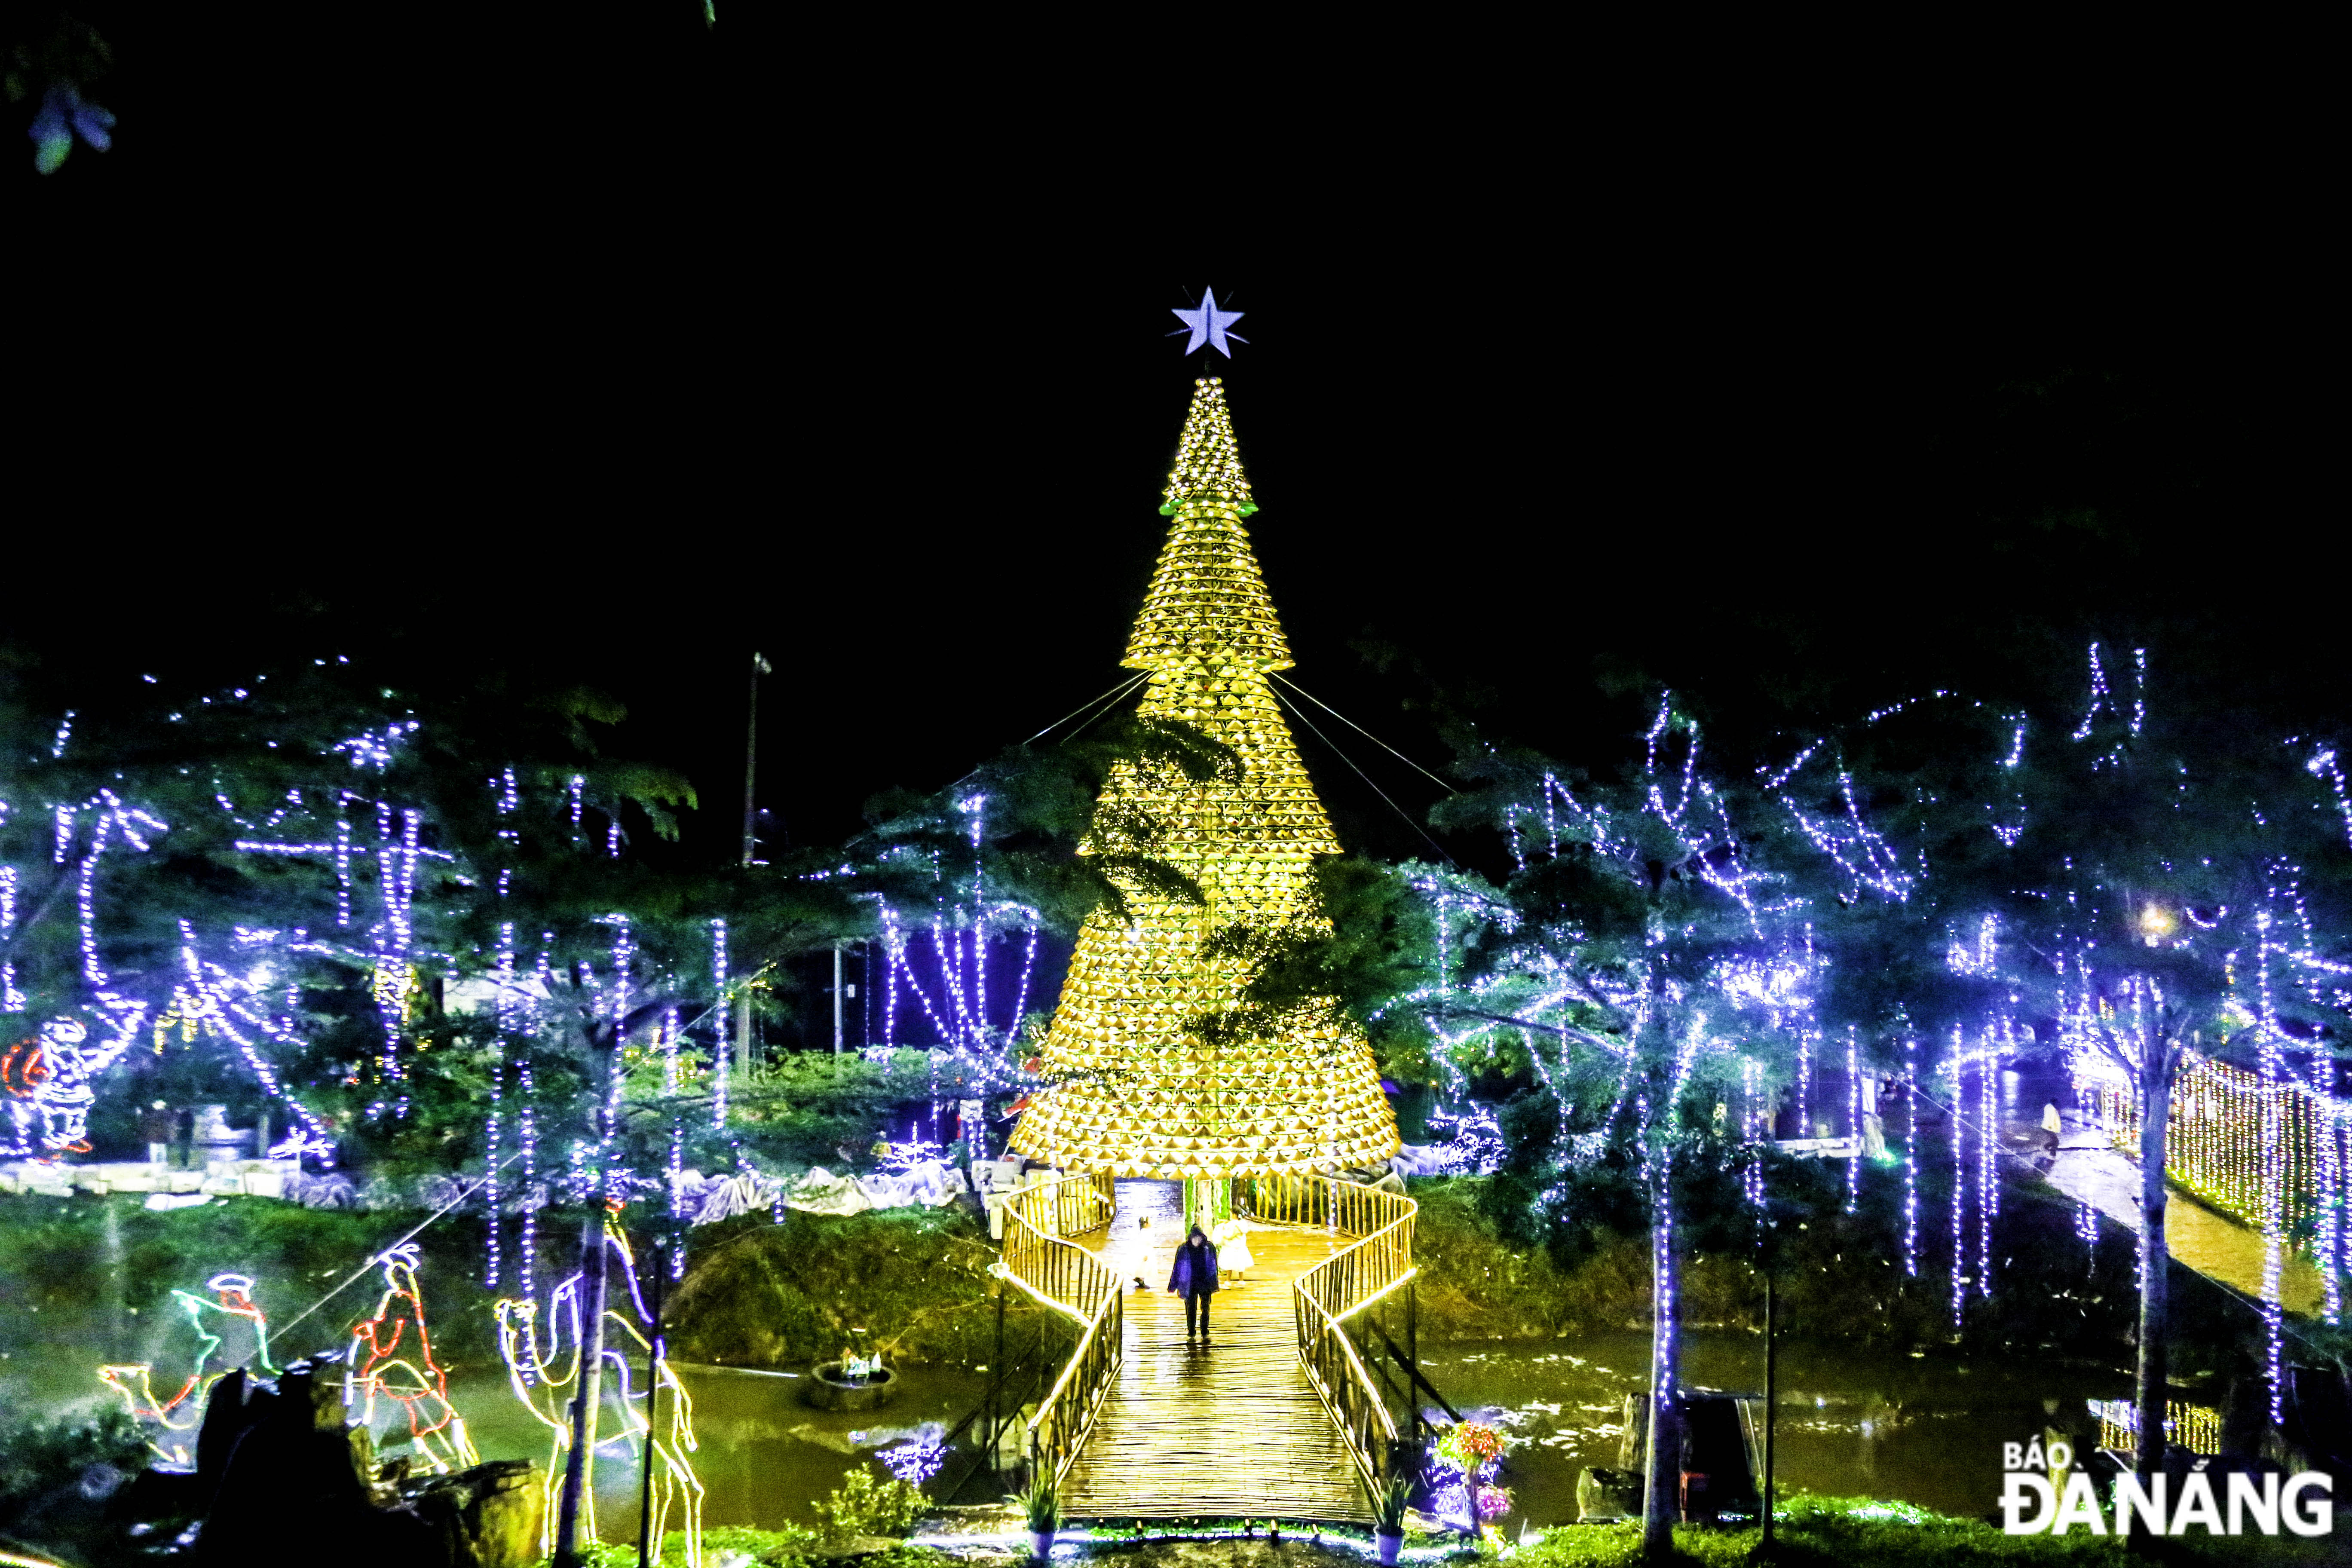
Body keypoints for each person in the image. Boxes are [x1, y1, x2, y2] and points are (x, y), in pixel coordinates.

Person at [1167, 1224, 1219, 1341]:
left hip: (1205, 1282)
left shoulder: (1210, 1248)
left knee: (1205, 1308)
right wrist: (1173, 1285)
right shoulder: (1183, 1249)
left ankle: (1205, 1331)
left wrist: (1214, 1283)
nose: (1197, 1241)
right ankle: (1191, 1332)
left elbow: (1214, 1267)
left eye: (1198, 1238)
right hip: (1189, 1284)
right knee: (1190, 1309)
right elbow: (1177, 1268)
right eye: (1194, 1238)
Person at [139, 1102, 174, 1166]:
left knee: (158, 1152)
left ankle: (159, 1164)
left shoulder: (161, 1114)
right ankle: (158, 1164)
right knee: (157, 1152)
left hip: (157, 1137)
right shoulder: (162, 1114)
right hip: (157, 1137)